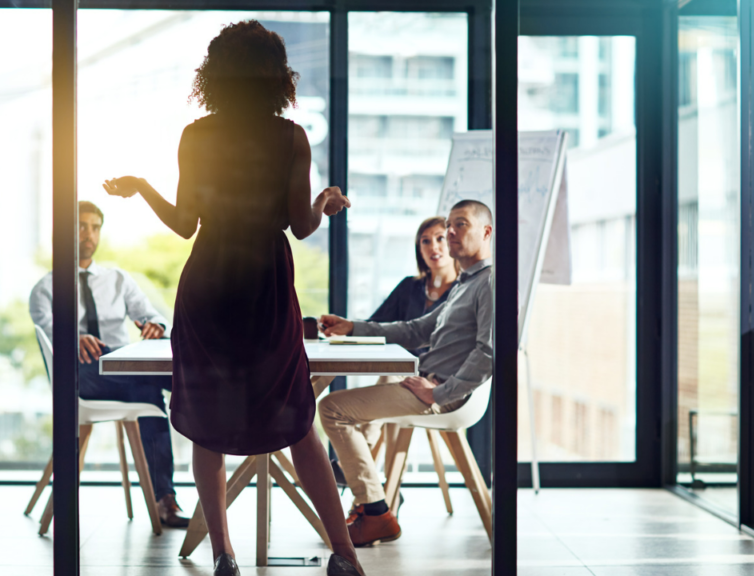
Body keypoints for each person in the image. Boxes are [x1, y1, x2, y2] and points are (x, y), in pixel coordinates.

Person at [101, 20, 364, 576]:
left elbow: (183, 225)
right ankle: (344, 555)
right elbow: (301, 226)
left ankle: (223, 554)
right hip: (266, 287)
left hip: (209, 286)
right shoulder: (290, 138)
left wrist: (142, 188)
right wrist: (324, 202)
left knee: (208, 421)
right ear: (275, 74)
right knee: (299, 420)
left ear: (215, 73)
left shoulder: (196, 136)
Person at [317, 199, 494, 547]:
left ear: (486, 232)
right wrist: (353, 327)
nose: (450, 232)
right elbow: (416, 330)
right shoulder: (465, 283)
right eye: (449, 225)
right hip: (427, 383)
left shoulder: (489, 284)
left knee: (332, 409)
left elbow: (489, 353)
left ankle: (375, 512)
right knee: (338, 406)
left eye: (460, 224)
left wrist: (438, 394)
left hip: (444, 394)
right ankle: (372, 506)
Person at [29, 201, 190, 528]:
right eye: (81, 226)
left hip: (126, 373)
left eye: (95, 227)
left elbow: (150, 314)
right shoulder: (45, 288)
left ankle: (166, 498)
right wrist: (72, 337)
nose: (88, 234)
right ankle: (166, 497)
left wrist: (155, 325)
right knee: (164, 384)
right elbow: (48, 332)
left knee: (157, 389)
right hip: (82, 377)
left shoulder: (118, 279)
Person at [332, 217, 460, 486]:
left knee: (392, 380)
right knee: (394, 377)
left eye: (440, 238)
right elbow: (379, 323)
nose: (433, 246)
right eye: (425, 241)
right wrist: (348, 328)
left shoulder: (463, 292)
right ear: (419, 249)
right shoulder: (409, 287)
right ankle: (387, 491)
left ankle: (356, 461)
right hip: (402, 377)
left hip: (436, 383)